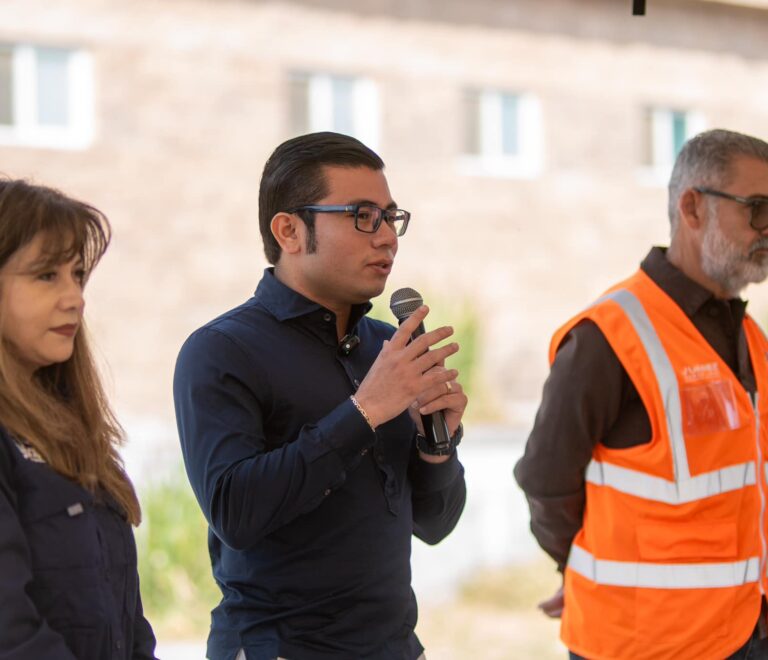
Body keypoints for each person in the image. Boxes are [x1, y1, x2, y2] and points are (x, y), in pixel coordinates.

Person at [173, 131, 468, 660]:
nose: (387, 238)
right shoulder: (221, 351)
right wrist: (365, 411)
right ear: (289, 230)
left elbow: (435, 524)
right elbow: (235, 512)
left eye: (390, 217)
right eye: (362, 216)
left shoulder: (388, 348)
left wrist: (436, 445)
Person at [514, 128, 768, 660]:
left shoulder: (750, 339)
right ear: (693, 207)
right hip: (643, 644)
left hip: (744, 630)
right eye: (758, 210)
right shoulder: (608, 337)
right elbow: (545, 481)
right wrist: (580, 566)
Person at [0, 179, 157, 659]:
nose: (75, 297)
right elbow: (12, 636)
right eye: (47, 275)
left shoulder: (71, 430)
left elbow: (127, 624)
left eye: (78, 275)